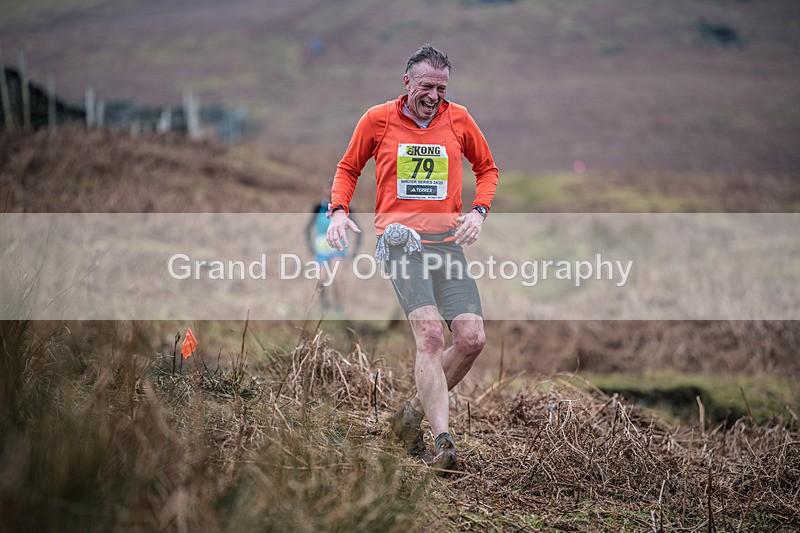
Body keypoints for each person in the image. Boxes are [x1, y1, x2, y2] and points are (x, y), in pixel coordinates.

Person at [326, 44, 499, 475]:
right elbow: (348, 169)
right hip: (401, 243)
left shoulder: (459, 119)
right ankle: (443, 444)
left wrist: (478, 213)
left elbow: (488, 170)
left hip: (447, 242)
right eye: (426, 86)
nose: (434, 95)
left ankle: (409, 417)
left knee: (472, 339)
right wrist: (338, 212)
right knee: (430, 337)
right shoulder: (377, 119)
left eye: (441, 87)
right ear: (407, 83)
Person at [305, 180, 361, 313]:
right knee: (320, 279)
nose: (329, 193)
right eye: (327, 189)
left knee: (336, 279)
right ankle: (324, 304)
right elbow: (307, 229)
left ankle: (339, 309)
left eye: (332, 190)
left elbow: (359, 231)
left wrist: (355, 252)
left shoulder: (345, 209)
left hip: (338, 250)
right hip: (321, 250)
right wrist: (310, 248)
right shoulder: (318, 208)